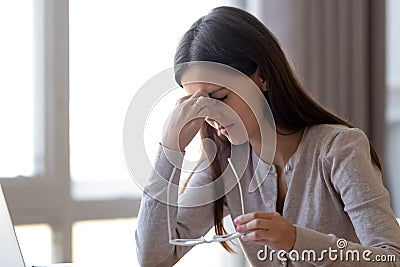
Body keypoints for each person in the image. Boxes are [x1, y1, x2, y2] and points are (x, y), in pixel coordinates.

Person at [135, 6, 400, 266]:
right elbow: (153, 258)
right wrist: (170, 151)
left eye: (219, 97)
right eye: (199, 105)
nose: (212, 115)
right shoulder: (224, 166)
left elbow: (391, 258)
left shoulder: (338, 149)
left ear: (262, 77)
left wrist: (296, 240)